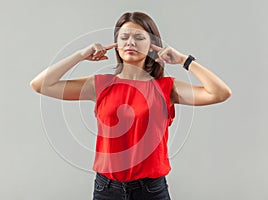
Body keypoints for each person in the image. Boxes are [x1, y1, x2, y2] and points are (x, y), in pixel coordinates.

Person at [30, 11, 231, 200]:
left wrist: (184, 60)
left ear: (152, 44)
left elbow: (220, 93)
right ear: (116, 43)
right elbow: (41, 84)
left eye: (139, 37)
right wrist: (81, 55)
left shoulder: (166, 88)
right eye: (124, 37)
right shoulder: (100, 84)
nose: (130, 43)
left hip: (151, 190)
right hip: (106, 189)